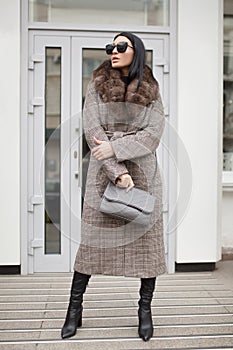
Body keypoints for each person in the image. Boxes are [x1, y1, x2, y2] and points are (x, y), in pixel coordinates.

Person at [61, 32, 166, 342]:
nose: (114, 51)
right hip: (103, 177)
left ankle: (144, 311)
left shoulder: (152, 90)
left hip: (144, 175)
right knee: (91, 248)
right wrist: (116, 170)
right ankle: (74, 309)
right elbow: (94, 131)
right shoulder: (96, 86)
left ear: (137, 52)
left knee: (148, 249)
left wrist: (117, 149)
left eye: (121, 46)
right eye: (111, 47)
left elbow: (153, 134)